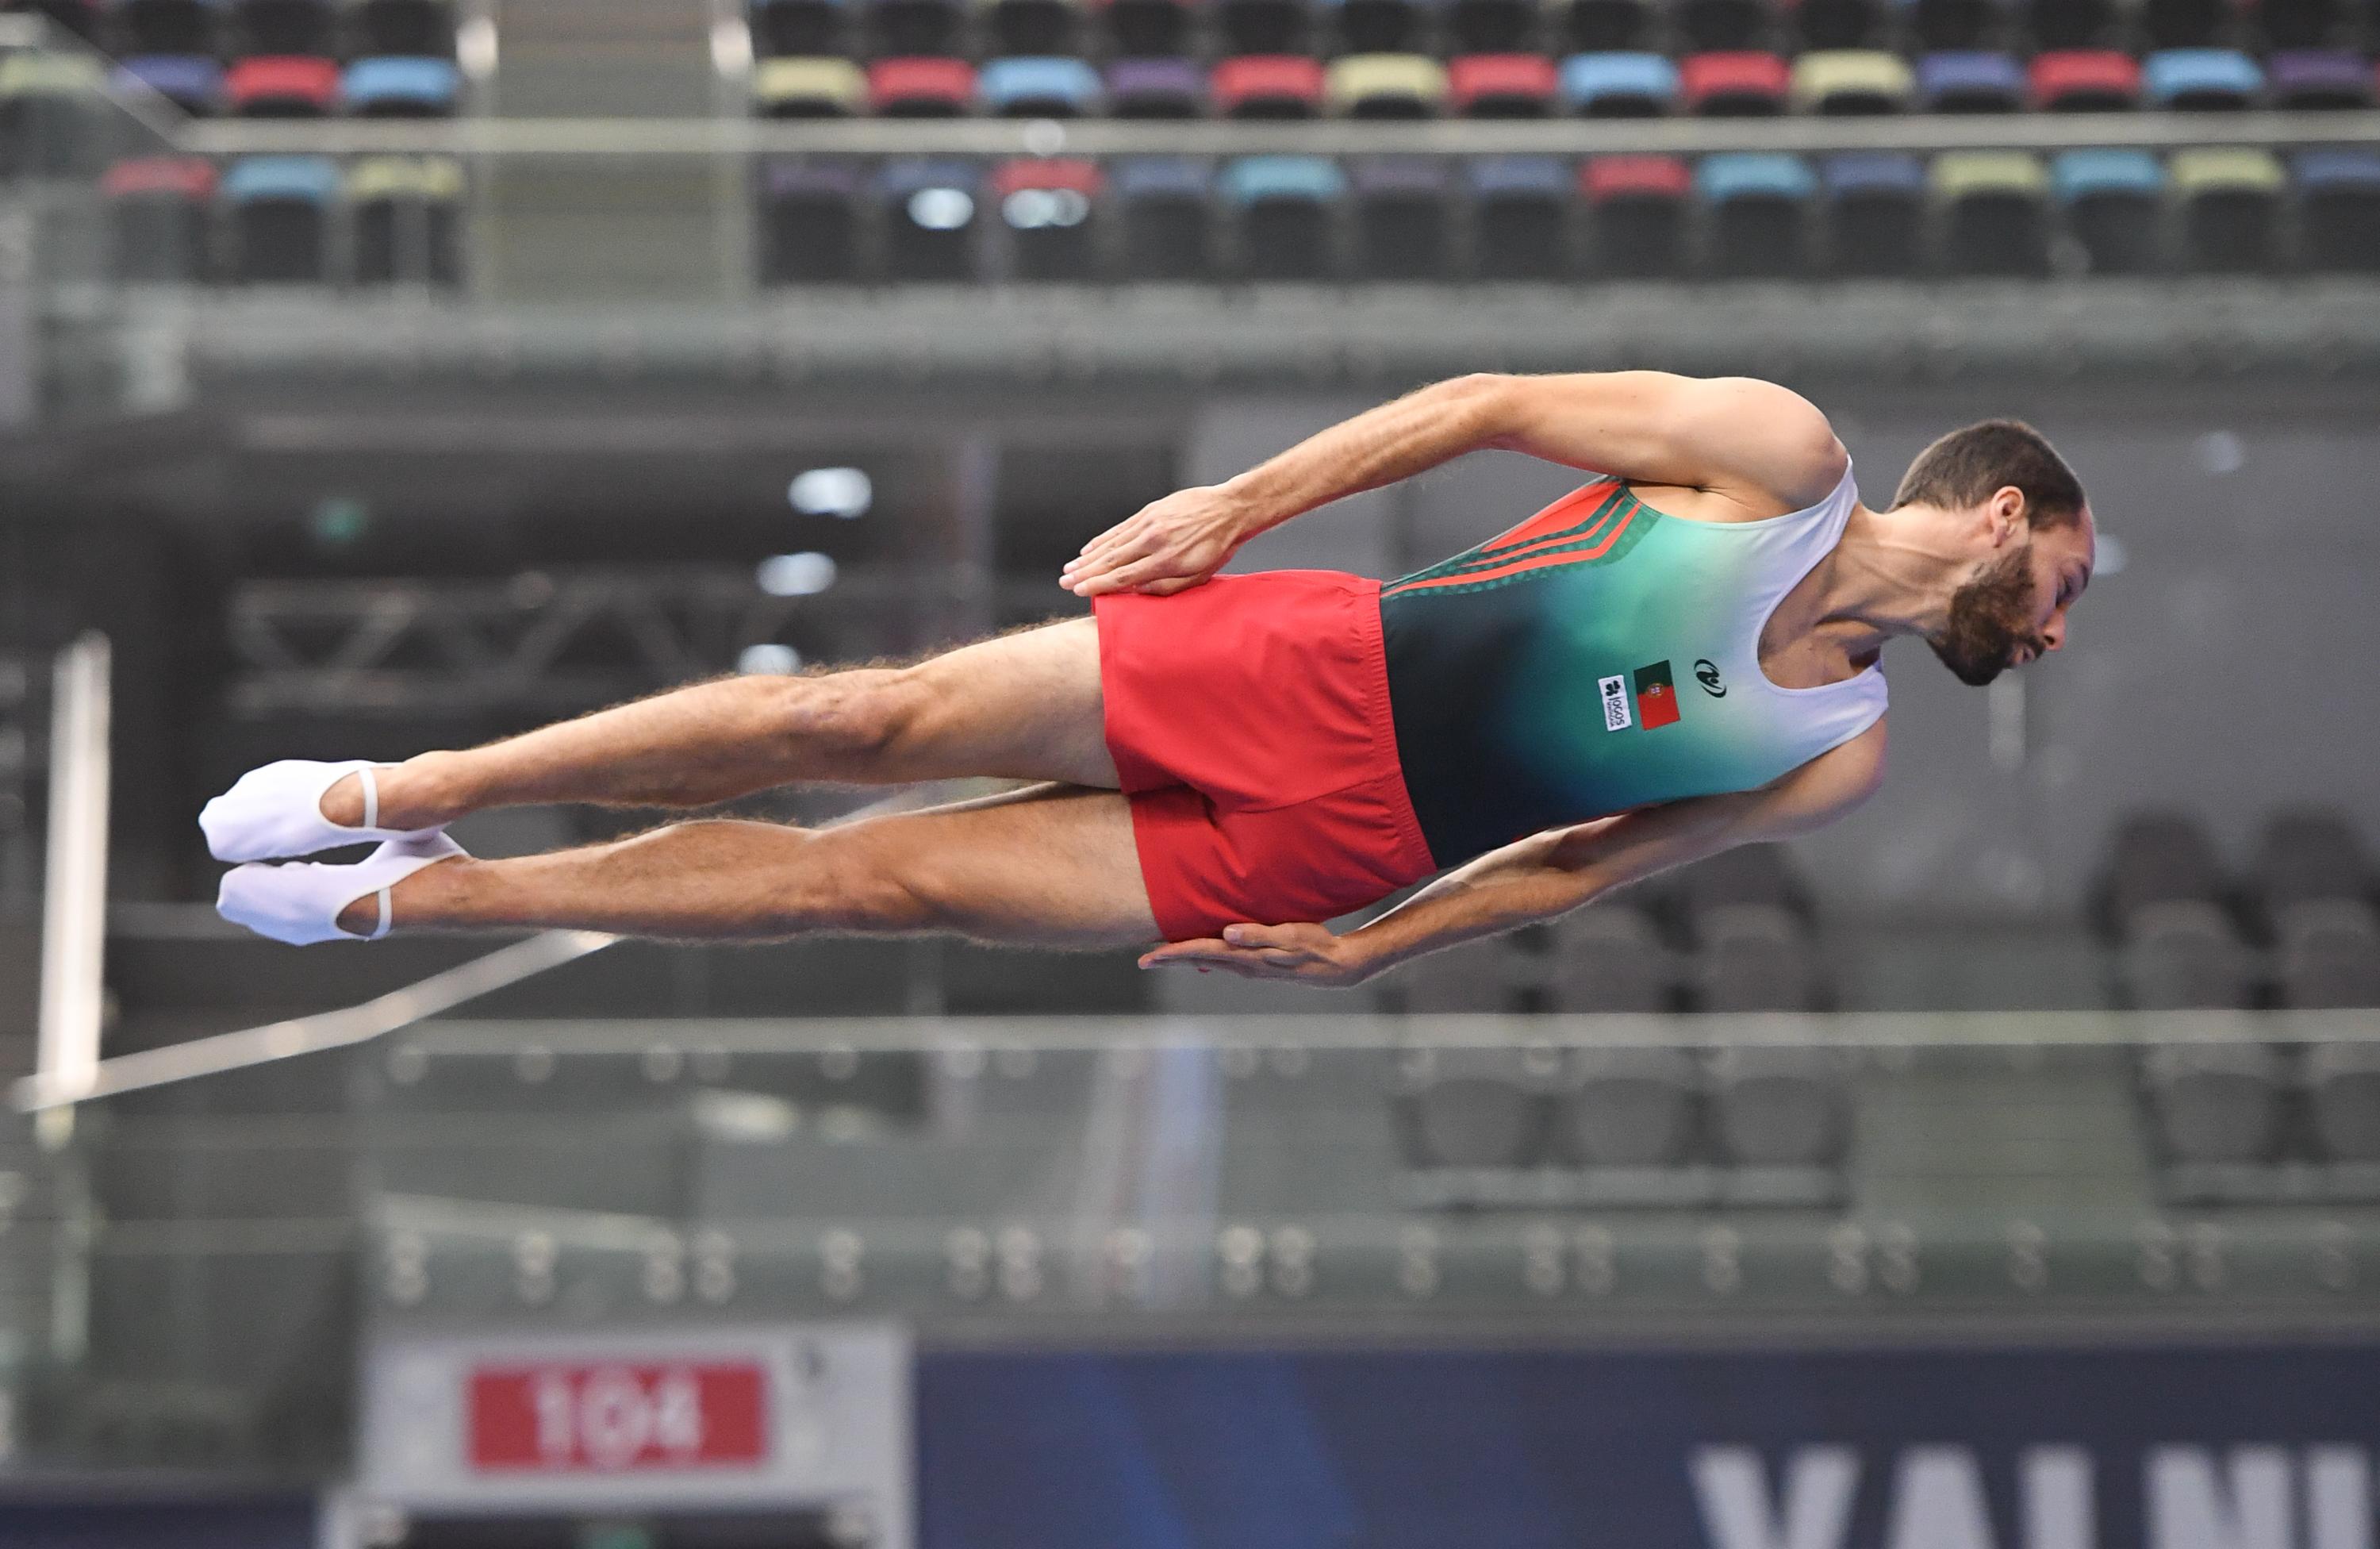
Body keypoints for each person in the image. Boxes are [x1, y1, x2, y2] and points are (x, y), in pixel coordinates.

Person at [203, 371, 2095, 987]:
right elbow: (1491, 406)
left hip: (1348, 842)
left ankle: (416, 891)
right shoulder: (1775, 452)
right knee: (851, 727)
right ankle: (405, 776)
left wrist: (1375, 946)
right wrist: (1239, 505)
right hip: (1307, 661)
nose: (2060, 633)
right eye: (2065, 585)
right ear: (2003, 516)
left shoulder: (1837, 750)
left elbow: (1582, 864)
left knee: (867, 878)